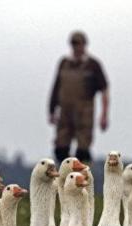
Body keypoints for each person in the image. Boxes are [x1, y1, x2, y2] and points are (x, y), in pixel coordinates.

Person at [48, 31, 109, 163]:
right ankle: (64, 178)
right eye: (74, 44)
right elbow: (56, 87)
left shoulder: (93, 65)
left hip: (84, 113)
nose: (76, 47)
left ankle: (83, 180)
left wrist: (104, 114)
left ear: (84, 45)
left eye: (79, 44)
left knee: (83, 152)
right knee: (61, 150)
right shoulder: (64, 63)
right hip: (65, 113)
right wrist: (52, 110)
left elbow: (104, 89)